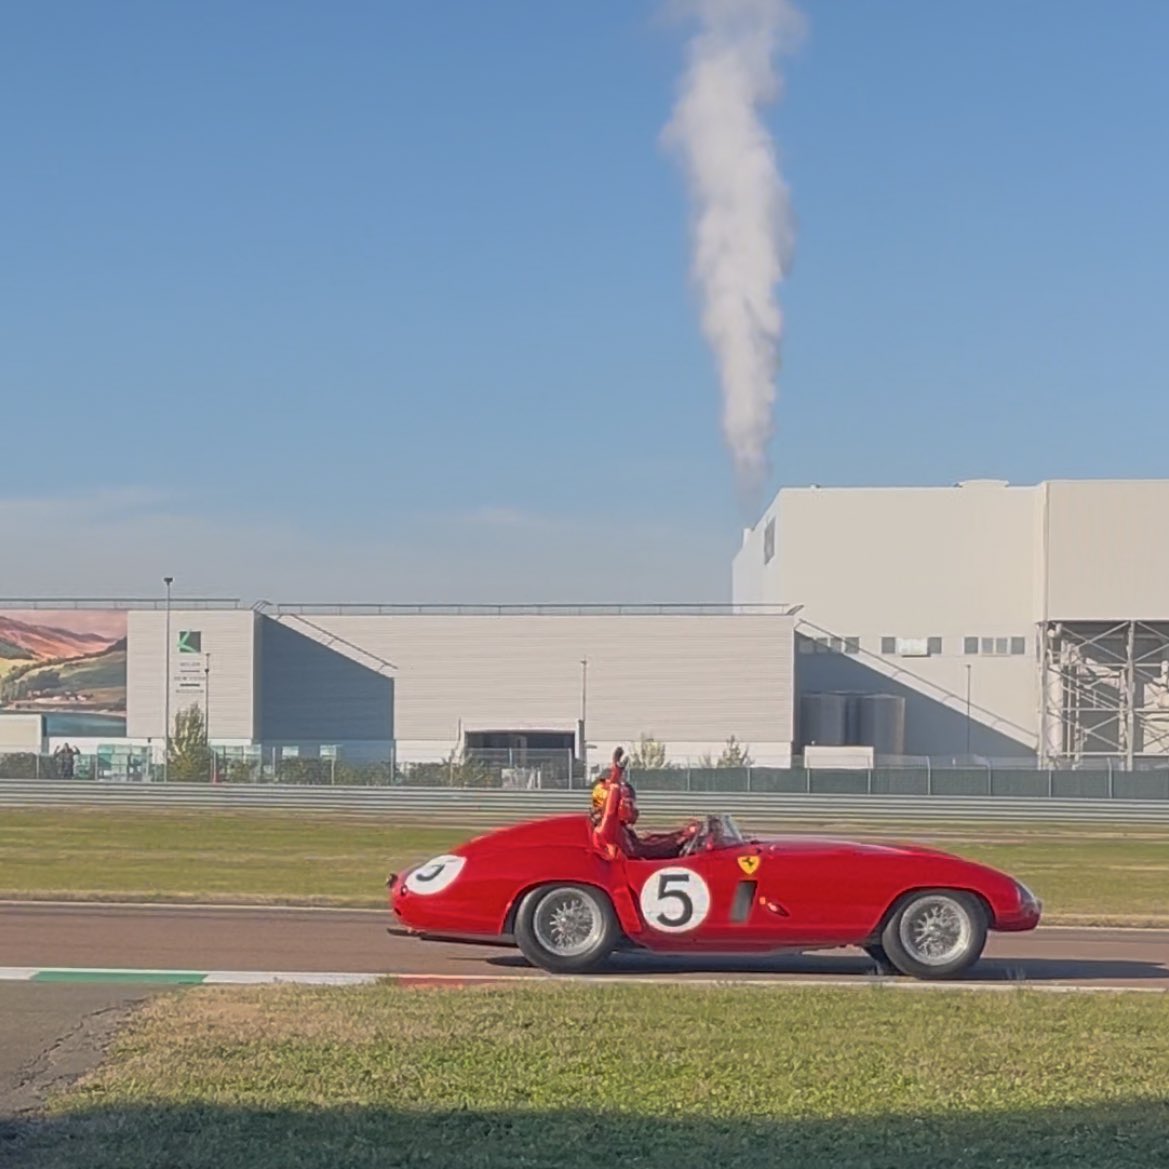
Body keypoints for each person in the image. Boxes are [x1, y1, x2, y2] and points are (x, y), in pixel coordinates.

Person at [590, 746, 700, 860]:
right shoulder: (607, 830)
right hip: (631, 874)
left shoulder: (622, 832)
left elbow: (648, 845)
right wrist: (616, 774)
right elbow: (610, 813)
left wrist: (680, 836)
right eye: (630, 803)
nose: (634, 809)